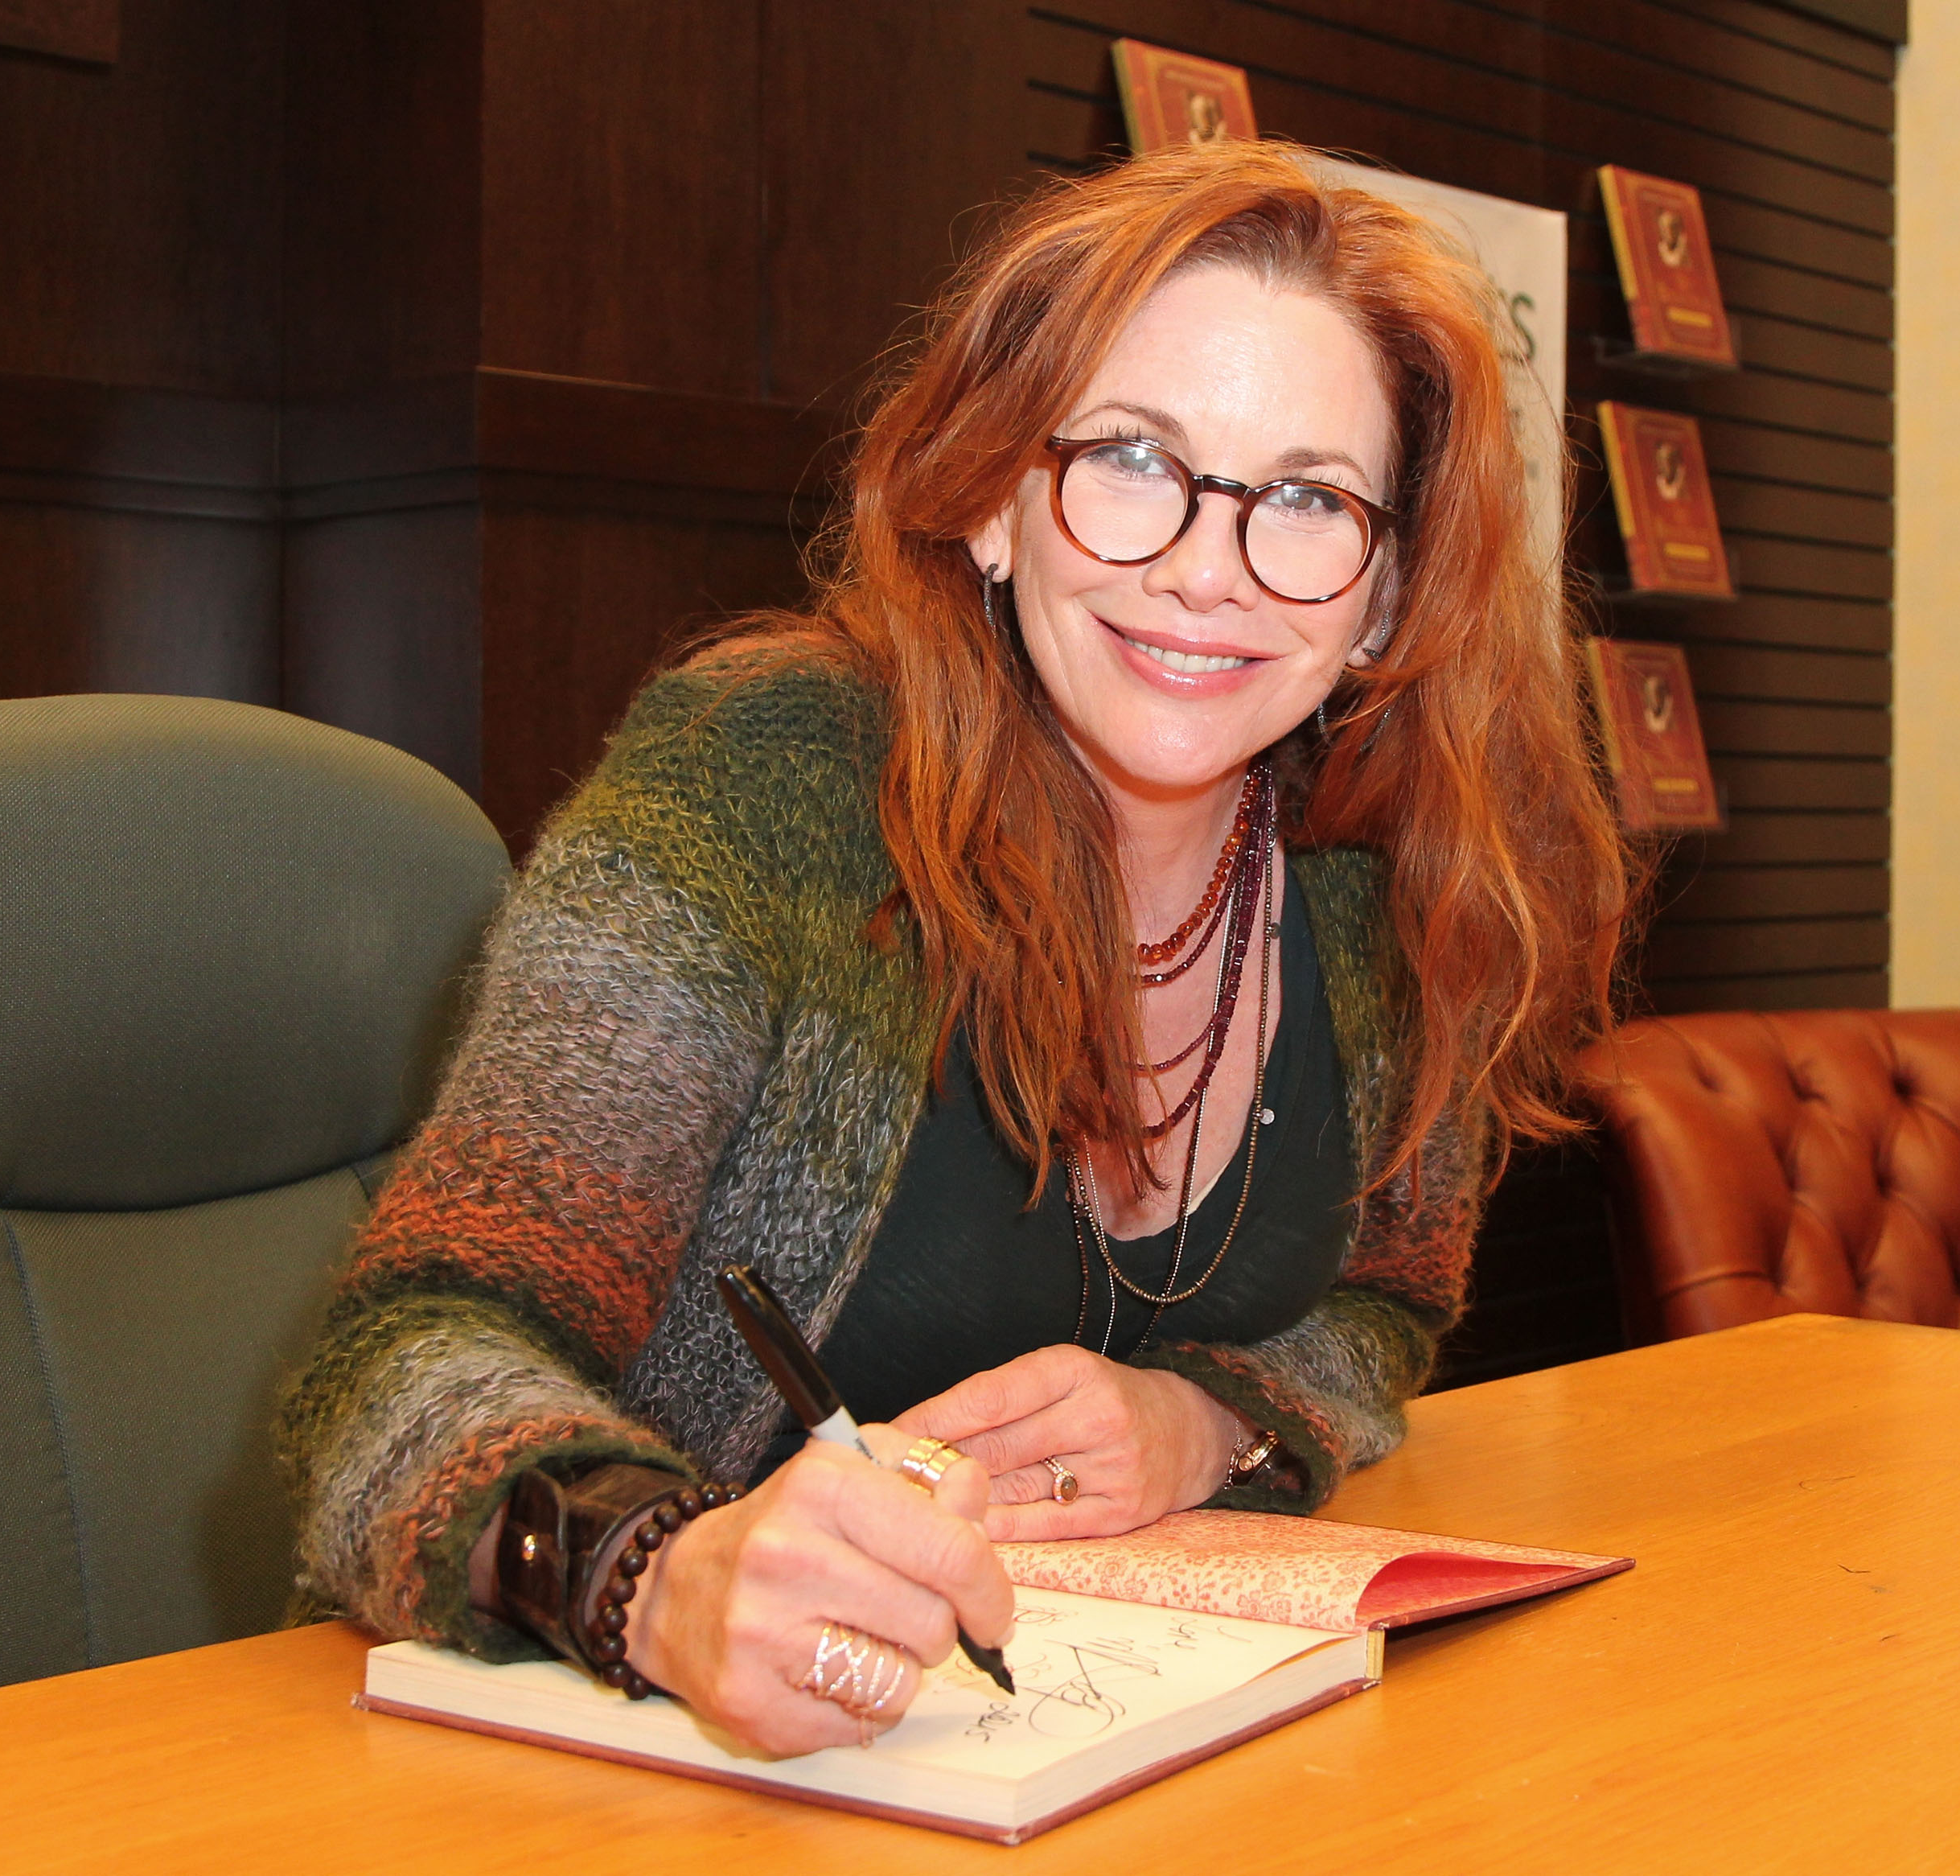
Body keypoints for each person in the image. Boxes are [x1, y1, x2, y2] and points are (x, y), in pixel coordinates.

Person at [281, 138, 1627, 1756]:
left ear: (1388, 589)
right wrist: (651, 1566)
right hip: (607, 1765)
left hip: (1091, 1761)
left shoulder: (1384, 873)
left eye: (1306, 499)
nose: (1207, 566)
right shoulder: (760, 782)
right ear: (994, 495)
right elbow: (396, 1350)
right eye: (1131, 458)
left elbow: (1380, 1305)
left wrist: (1200, 1418)